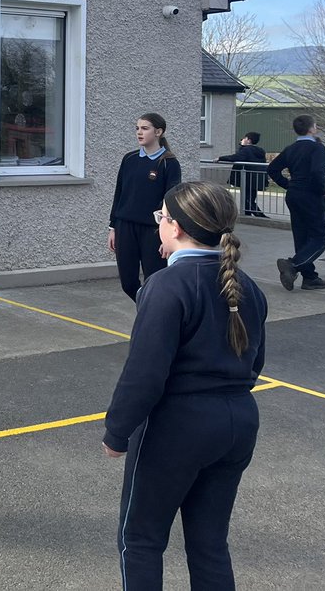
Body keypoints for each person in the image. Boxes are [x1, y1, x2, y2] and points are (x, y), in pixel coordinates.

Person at [103, 181, 268, 591]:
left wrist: (117, 431)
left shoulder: (165, 286)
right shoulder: (250, 288)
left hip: (177, 427)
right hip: (238, 422)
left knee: (140, 540)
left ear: (173, 227)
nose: (158, 222)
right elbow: (255, 361)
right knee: (210, 544)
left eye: (161, 216)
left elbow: (145, 372)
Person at [109, 113, 183, 301]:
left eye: (145, 128)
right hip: (125, 228)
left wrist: (169, 235)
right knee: (128, 283)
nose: (139, 132)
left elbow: (171, 201)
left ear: (158, 132)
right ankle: (148, 309)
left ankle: (155, 316)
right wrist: (113, 227)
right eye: (137, 128)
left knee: (154, 280)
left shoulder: (169, 163)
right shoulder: (129, 159)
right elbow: (119, 194)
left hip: (153, 230)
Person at [267, 115, 325, 290]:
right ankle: (293, 265)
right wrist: (322, 190)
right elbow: (317, 172)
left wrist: (289, 184)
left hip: (294, 194)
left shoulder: (291, 148)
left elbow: (272, 169)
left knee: (301, 236)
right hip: (310, 195)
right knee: (319, 238)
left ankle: (309, 277)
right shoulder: (316, 148)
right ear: (312, 129)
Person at [215, 132, 268, 217]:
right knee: (251, 197)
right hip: (257, 177)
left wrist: (220, 158)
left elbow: (235, 157)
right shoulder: (260, 150)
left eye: (244, 138)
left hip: (247, 177)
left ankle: (261, 216)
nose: (242, 139)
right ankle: (247, 215)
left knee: (247, 198)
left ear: (249, 140)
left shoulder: (246, 150)